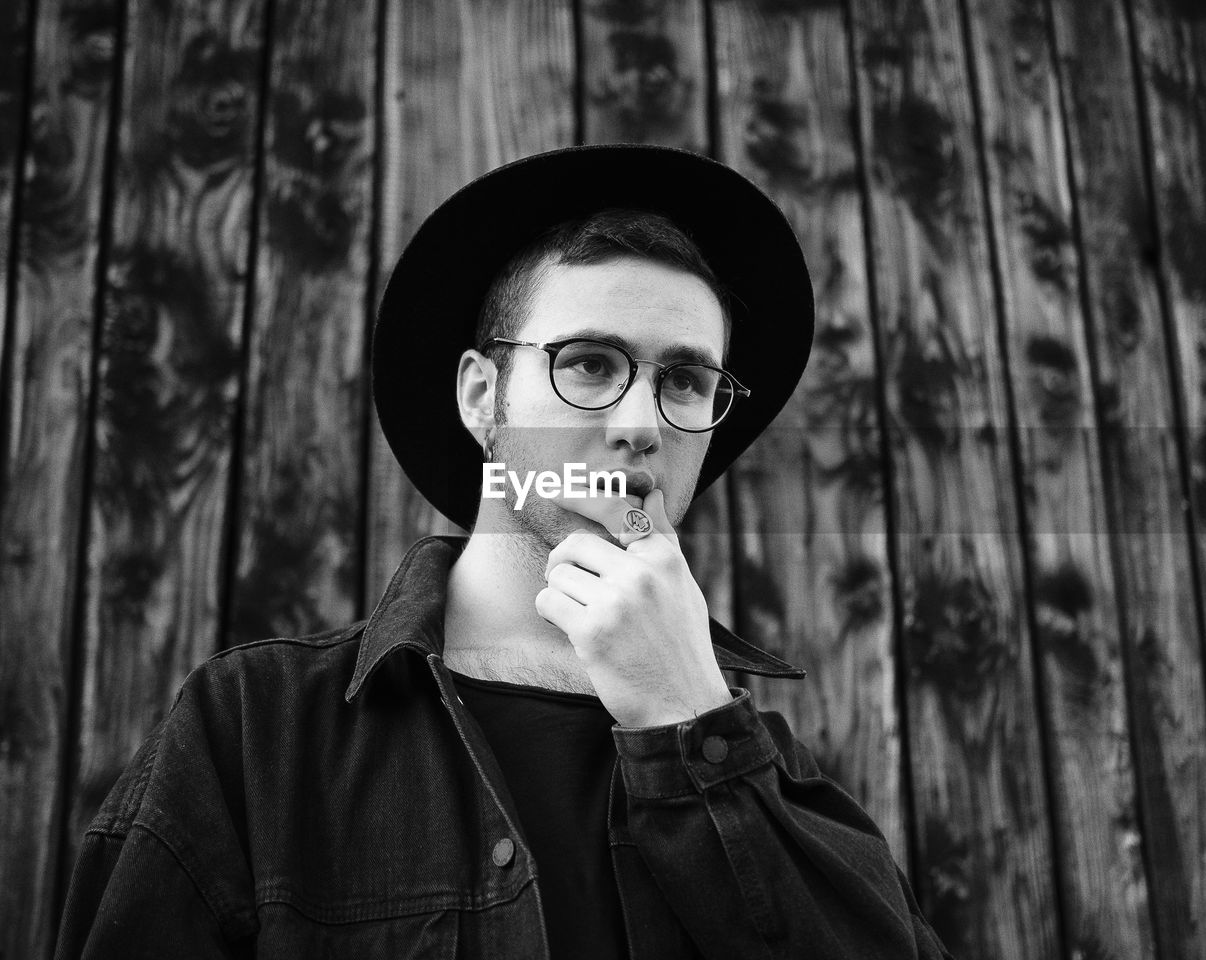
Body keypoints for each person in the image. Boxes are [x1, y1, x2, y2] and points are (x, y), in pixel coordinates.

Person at [54, 145, 953, 959]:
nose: (639, 426)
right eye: (590, 364)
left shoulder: (775, 775)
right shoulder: (256, 730)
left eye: (683, 380)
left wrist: (689, 720)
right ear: (483, 396)